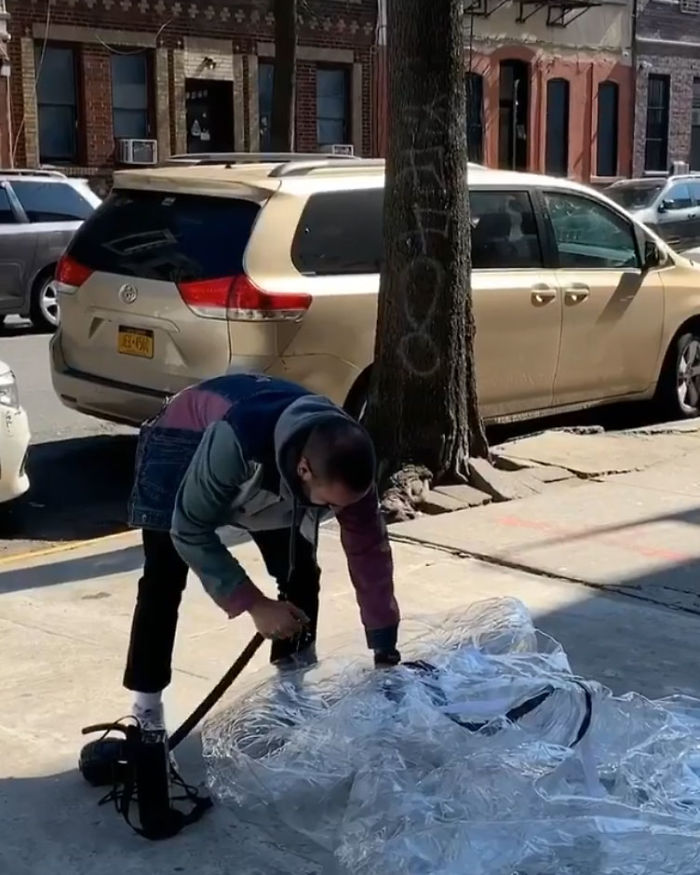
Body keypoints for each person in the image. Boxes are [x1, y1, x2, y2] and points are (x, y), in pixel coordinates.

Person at [124, 372, 401, 730]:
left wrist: (385, 649)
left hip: (273, 455)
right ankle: (147, 714)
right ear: (303, 470)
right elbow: (190, 528)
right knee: (164, 579)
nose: (335, 513)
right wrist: (254, 603)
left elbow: (369, 552)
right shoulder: (239, 439)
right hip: (187, 435)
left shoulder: (345, 461)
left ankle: (291, 694)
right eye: (330, 504)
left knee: (300, 573)